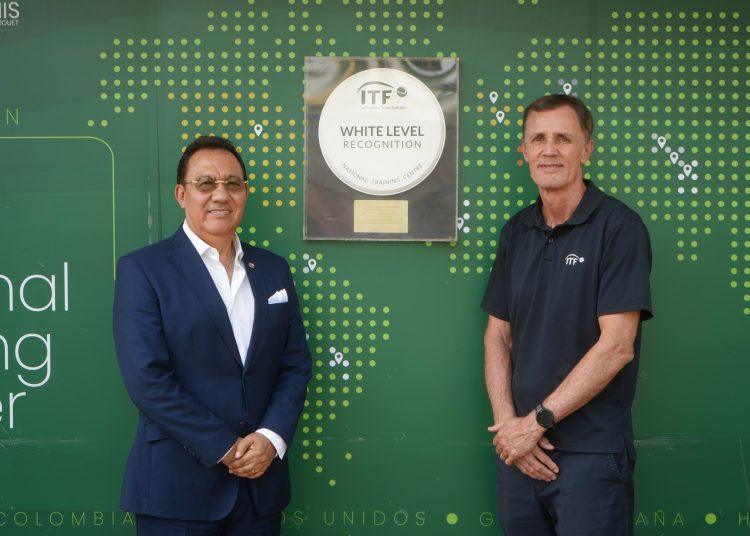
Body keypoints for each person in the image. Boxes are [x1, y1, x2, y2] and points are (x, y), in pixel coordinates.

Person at [113, 135, 311, 535]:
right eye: (206, 183)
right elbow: (148, 380)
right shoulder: (144, 270)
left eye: (232, 183)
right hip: (177, 493)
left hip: (260, 490)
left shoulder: (273, 269)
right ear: (181, 194)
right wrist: (225, 447)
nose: (221, 194)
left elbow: (294, 366)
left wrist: (270, 438)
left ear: (244, 193)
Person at [482, 94, 652, 535]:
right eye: (538, 139)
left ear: (586, 149)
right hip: (520, 454)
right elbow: (497, 336)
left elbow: (617, 346)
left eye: (563, 138)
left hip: (590, 457)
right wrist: (509, 428)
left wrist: (535, 422)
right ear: (524, 151)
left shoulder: (620, 228)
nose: (549, 150)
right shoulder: (515, 231)